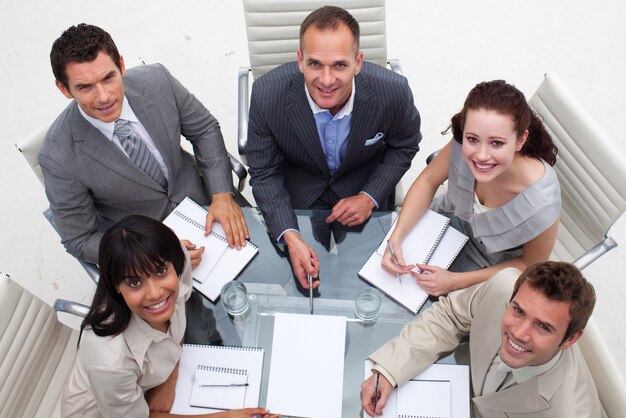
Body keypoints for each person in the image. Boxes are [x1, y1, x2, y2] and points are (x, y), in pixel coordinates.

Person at [40, 24, 249, 266]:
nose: (104, 96)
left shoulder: (158, 81)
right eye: (85, 87)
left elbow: (204, 130)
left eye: (109, 78)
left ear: (121, 64)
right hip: (151, 253)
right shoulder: (57, 156)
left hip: (209, 202)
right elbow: (79, 239)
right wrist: (148, 254)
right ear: (64, 88)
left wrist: (221, 194)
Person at [247, 6, 421, 289]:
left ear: (358, 62)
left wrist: (369, 197)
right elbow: (264, 172)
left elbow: (405, 144)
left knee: (365, 284)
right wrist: (290, 235)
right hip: (297, 195)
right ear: (300, 60)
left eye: (340, 65)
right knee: (302, 286)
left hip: (362, 188)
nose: (326, 81)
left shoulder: (393, 92)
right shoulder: (267, 95)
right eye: (315, 64)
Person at [61, 215, 278, 418]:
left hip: (152, 386)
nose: (155, 293)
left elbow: (179, 315)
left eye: (161, 271)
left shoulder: (179, 262)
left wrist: (172, 373)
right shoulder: (109, 361)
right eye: (134, 282)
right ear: (115, 286)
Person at [383, 80, 560, 296]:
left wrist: (454, 281)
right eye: (472, 139)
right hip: (441, 226)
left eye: (496, 143)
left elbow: (529, 266)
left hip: (487, 270)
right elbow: (428, 180)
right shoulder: (461, 143)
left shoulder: (543, 203)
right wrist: (396, 238)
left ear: (521, 140)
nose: (481, 155)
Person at [361, 261, 605, 417]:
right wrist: (390, 370)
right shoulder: (504, 284)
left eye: (543, 326)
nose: (519, 333)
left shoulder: (567, 412)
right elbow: (449, 315)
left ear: (570, 339)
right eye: (518, 310)